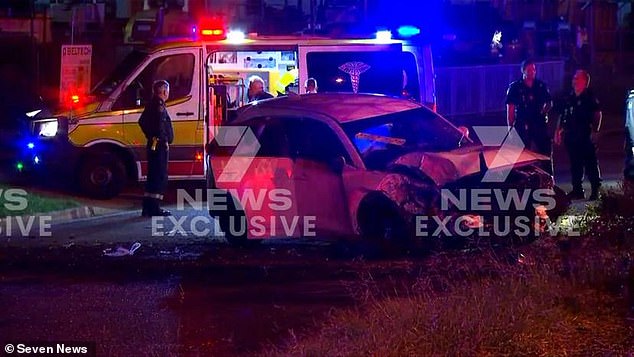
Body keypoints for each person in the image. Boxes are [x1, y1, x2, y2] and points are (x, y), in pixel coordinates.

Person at [554, 70, 602, 200]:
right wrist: (558, 131)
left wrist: (595, 131)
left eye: (577, 78)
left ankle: (595, 190)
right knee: (575, 164)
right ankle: (577, 190)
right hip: (571, 136)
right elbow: (563, 115)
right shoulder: (569, 98)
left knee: (590, 164)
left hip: (585, 136)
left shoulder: (590, 97)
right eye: (574, 78)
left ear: (584, 81)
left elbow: (597, 114)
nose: (574, 80)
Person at [505, 59, 554, 174]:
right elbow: (510, 108)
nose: (532, 72)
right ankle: (524, 182)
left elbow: (549, 102)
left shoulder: (540, 85)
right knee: (522, 156)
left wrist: (543, 113)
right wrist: (510, 127)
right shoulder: (515, 87)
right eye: (529, 69)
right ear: (523, 71)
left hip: (538, 124)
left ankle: (549, 179)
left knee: (545, 154)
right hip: (522, 124)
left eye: (534, 69)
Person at [138, 80, 174, 216]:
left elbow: (141, 122)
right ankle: (154, 208)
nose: (168, 93)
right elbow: (159, 125)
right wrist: (162, 139)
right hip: (159, 146)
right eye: (167, 90)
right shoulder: (158, 105)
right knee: (159, 176)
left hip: (153, 144)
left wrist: (150, 135)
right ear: (164, 91)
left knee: (153, 175)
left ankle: (147, 208)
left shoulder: (152, 104)